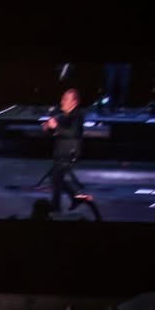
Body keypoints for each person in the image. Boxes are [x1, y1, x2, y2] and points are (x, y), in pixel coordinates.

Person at [42, 87, 95, 217]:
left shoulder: (77, 115)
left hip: (70, 152)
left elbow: (73, 133)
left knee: (56, 178)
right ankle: (74, 197)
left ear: (74, 102)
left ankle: (57, 207)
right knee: (56, 179)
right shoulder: (62, 115)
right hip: (61, 152)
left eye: (65, 99)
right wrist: (48, 127)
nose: (62, 102)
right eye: (62, 99)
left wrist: (56, 127)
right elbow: (52, 130)